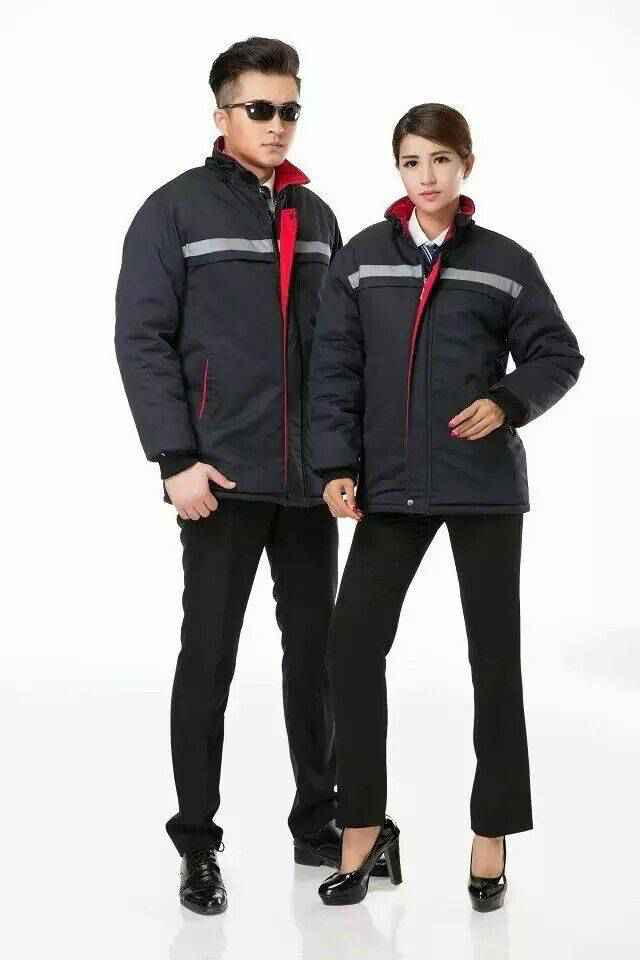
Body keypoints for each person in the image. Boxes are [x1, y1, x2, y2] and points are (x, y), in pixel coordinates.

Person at [114, 36, 385, 916]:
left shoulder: (321, 216)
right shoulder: (174, 210)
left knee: (317, 660)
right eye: (259, 109)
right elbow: (142, 339)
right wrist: (174, 459)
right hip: (220, 482)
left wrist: (343, 462)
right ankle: (197, 843)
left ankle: (317, 824)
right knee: (210, 660)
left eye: (289, 109)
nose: (277, 125)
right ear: (222, 114)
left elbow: (340, 353)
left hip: (307, 485)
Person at [308, 102, 585, 908]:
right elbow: (334, 367)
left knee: (493, 661)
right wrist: (336, 465)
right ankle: (362, 828)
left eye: (439, 160)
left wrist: (508, 401)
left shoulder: (504, 261)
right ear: (396, 169)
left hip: (482, 486)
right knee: (351, 647)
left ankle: (491, 833)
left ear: (466, 164)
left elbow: (558, 352)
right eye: (410, 162)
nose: (425, 177)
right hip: (391, 487)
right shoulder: (362, 259)